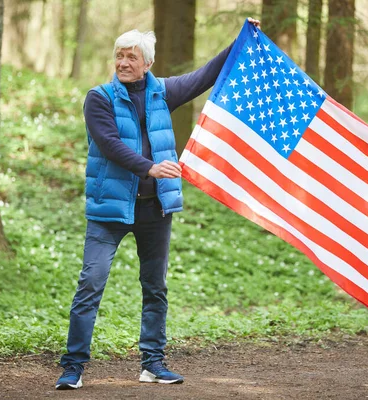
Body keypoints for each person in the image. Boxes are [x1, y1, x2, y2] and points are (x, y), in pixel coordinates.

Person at [55, 18, 262, 390]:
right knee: (91, 284)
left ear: (147, 63)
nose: (123, 63)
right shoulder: (98, 98)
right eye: (119, 56)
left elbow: (204, 76)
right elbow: (110, 146)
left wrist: (242, 41)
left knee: (155, 288)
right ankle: (73, 367)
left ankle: (152, 363)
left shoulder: (161, 92)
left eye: (131, 57)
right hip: (110, 211)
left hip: (155, 210)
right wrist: (150, 167)